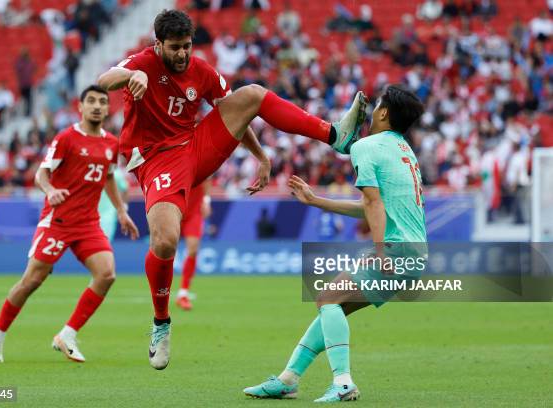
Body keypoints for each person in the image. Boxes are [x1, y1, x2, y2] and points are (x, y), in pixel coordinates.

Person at [97, 9, 367, 371]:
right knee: (164, 241)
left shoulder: (202, 70)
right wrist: (131, 75)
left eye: (187, 47)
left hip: (195, 147)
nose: (182, 54)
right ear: (158, 44)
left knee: (252, 93)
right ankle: (161, 323)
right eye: (175, 47)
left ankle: (336, 135)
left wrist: (261, 156)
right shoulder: (142, 63)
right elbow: (104, 80)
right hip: (157, 159)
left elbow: (235, 115)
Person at [244, 84, 428, 402]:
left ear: (383, 112)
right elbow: (374, 205)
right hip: (415, 252)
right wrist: (316, 201)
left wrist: (381, 251)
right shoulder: (403, 150)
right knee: (334, 305)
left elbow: (372, 204)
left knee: (327, 298)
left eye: (377, 106)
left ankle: (343, 382)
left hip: (395, 250)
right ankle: (288, 378)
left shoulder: (367, 147)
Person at [0, 85, 139, 364]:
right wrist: (50, 190)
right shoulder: (67, 138)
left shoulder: (110, 144)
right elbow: (41, 174)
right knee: (32, 281)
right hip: (58, 221)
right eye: (90, 101)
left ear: (107, 109)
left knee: (107, 274)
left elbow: (107, 178)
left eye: (102, 102)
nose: (96, 106)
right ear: (80, 107)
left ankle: (67, 335)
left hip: (88, 223)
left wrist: (121, 211)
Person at [175, 181, 211, 311]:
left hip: (194, 211)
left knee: (193, 249)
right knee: (164, 249)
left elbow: (207, 178)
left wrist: (207, 201)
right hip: (174, 208)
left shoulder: (199, 161)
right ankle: (159, 293)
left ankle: (183, 294)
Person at [99, 167, 130, 240]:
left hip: (108, 214)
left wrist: (123, 207)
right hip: (91, 213)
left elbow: (125, 189)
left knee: (105, 240)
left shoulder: (117, 174)